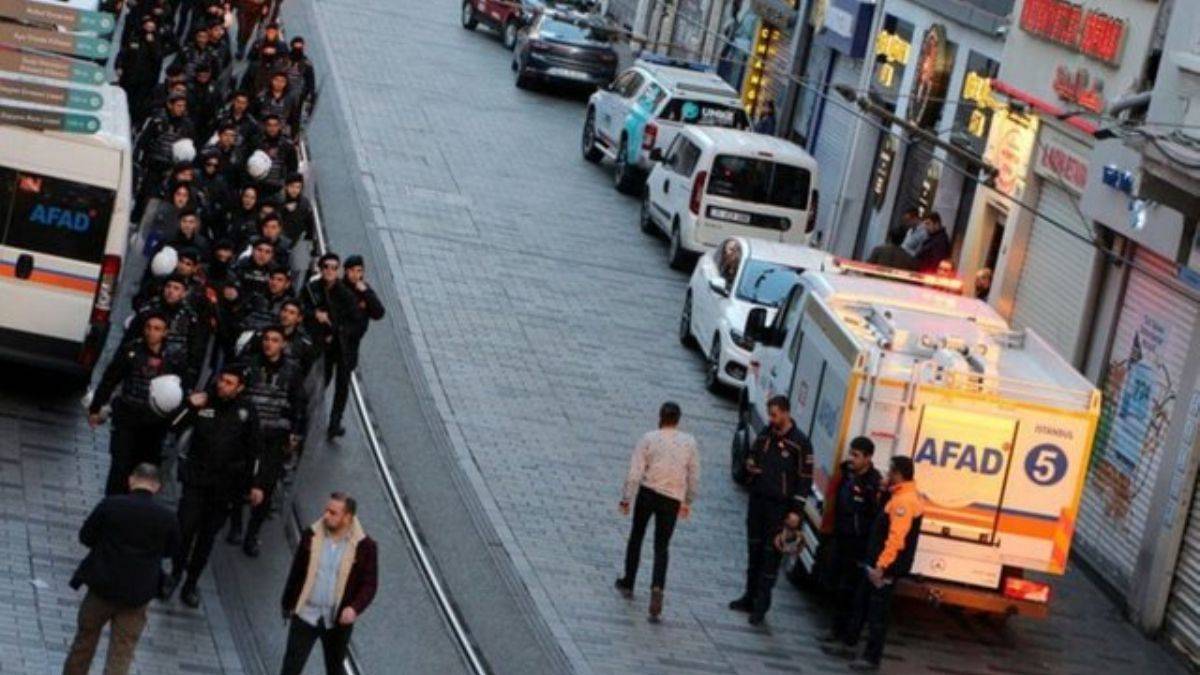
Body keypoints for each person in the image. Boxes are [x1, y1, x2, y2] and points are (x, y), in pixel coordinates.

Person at [64, 464, 181, 675]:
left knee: (84, 644)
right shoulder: (167, 517)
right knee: (121, 654)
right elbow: (171, 551)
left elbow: (86, 537)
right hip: (137, 595)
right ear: (156, 487)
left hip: (101, 588)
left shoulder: (111, 505)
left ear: (131, 480)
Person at [165, 366, 263, 607]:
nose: (223, 386)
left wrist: (255, 485)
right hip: (197, 479)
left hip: (225, 487)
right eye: (222, 381)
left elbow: (255, 451)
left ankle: (191, 583)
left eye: (230, 383)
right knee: (185, 528)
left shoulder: (246, 411)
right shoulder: (204, 402)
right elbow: (174, 425)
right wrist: (189, 405)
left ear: (239, 387)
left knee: (206, 538)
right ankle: (175, 573)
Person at [822, 456, 923, 671]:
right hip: (877, 563)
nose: (887, 474)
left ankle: (871, 657)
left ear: (898, 474)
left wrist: (881, 566)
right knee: (862, 603)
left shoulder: (903, 502)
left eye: (890, 471)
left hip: (885, 568)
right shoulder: (901, 495)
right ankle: (850, 643)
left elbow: (896, 538)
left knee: (877, 614)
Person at [729, 395, 813, 625]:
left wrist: (796, 510)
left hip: (780, 507)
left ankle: (761, 605)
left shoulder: (800, 444)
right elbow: (753, 455)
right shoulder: (766, 435)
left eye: (775, 415)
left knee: (770, 556)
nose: (771, 419)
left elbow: (805, 480)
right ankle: (749, 596)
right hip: (757, 502)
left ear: (786, 413)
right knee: (753, 551)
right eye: (770, 414)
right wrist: (750, 466)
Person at [614, 402, 699, 622]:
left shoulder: (649, 438)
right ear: (678, 420)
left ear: (660, 417)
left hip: (648, 492)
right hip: (672, 498)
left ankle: (629, 578)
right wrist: (687, 500)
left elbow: (635, 472)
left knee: (637, 536)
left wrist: (626, 498)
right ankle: (657, 586)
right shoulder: (688, 443)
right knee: (662, 546)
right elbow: (694, 475)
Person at [279, 493, 378, 675]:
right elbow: (297, 571)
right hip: (305, 615)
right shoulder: (311, 535)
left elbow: (369, 584)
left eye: (333, 513)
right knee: (290, 668)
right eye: (326, 510)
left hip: (337, 621)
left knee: (334, 669)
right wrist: (287, 603)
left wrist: (354, 608)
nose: (326, 515)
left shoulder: (365, 547)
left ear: (347, 518)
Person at [89, 313, 187, 495]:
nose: (151, 332)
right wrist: (96, 407)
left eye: (157, 329)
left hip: (154, 423)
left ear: (165, 332)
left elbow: (181, 390)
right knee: (120, 466)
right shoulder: (131, 351)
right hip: (127, 416)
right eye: (148, 327)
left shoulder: (174, 358)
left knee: (145, 467)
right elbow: (110, 378)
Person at [238, 326, 308, 556]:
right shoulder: (250, 365)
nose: (269, 344)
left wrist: (296, 433)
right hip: (247, 433)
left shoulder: (292, 371)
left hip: (274, 438)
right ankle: (235, 524)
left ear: (283, 345)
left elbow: (299, 404)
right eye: (266, 339)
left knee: (265, 486)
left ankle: (252, 534)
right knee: (239, 479)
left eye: (275, 340)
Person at [821, 437, 882, 646]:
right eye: (851, 454)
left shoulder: (873, 485)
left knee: (852, 590)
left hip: (859, 545)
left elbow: (875, 518)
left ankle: (848, 634)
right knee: (836, 585)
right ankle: (835, 627)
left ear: (868, 458)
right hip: (841, 538)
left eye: (856, 455)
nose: (851, 459)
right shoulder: (847, 473)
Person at [325, 254, 385, 440]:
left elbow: (379, 312)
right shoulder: (338, 287)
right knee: (323, 378)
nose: (355, 275)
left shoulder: (364, 291)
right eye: (352, 271)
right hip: (331, 343)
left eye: (359, 271)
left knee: (342, 386)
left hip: (349, 347)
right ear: (346, 271)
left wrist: (365, 292)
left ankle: (335, 422)